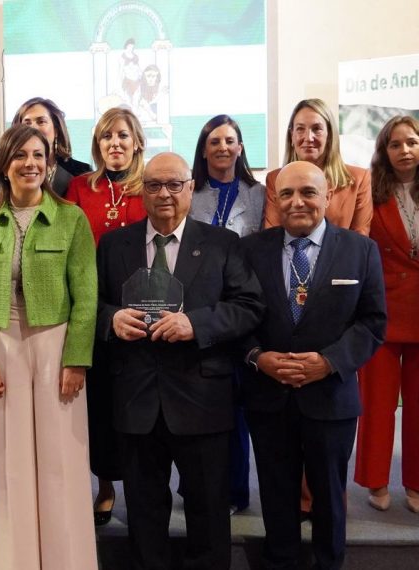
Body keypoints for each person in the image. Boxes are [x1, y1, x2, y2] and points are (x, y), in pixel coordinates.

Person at [98, 151, 263, 569]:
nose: (164, 194)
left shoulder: (222, 244)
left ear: (191, 188)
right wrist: (111, 317)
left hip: (201, 395)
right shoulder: (115, 244)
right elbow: (90, 304)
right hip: (136, 397)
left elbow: (248, 306)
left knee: (208, 511)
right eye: (154, 185)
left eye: (175, 184)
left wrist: (197, 324)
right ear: (141, 191)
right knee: (144, 512)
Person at [0, 125, 98, 570]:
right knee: (8, 459)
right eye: (20, 156)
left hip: (56, 341)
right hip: (2, 341)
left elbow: (87, 294)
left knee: (62, 457)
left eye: (38, 155)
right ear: (5, 163)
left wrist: (77, 359)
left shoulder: (71, 218)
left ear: (50, 162)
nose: (30, 164)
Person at [242, 160, 386, 569]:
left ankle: (329, 562)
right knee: (275, 491)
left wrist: (329, 362)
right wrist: (257, 357)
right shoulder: (251, 250)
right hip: (268, 396)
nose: (297, 202)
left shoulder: (360, 250)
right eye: (286, 193)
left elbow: (373, 322)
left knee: (328, 494)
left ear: (327, 197)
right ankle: (280, 560)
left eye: (308, 192)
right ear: (275, 199)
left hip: (331, 396)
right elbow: (235, 316)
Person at [353, 116, 419, 514]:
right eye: (395, 144)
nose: (404, 150)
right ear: (384, 151)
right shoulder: (371, 193)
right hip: (382, 310)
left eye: (412, 142)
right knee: (376, 402)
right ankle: (375, 479)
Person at [68, 106, 148, 524]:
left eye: (121, 136)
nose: (114, 144)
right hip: (93, 309)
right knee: (98, 405)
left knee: (135, 403)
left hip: (142, 309)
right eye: (106, 137)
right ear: (97, 146)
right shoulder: (80, 188)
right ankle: (104, 484)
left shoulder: (150, 187)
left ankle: (141, 485)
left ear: (137, 141)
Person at [185, 114, 265, 515]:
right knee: (198, 404)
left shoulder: (260, 193)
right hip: (198, 310)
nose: (222, 147)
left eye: (229, 140)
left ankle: (236, 491)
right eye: (214, 141)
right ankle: (194, 489)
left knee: (238, 408)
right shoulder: (189, 192)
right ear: (203, 149)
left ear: (239, 147)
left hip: (244, 308)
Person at [264, 98, 372, 236]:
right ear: (292, 136)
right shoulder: (275, 179)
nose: (308, 137)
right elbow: (272, 237)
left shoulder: (359, 179)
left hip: (340, 257)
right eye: (300, 129)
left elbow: (360, 243)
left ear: (330, 135)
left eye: (316, 129)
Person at [12, 97, 92, 198]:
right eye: (27, 123)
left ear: (56, 130)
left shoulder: (81, 172)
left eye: (41, 121)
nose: (33, 128)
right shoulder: (11, 170)